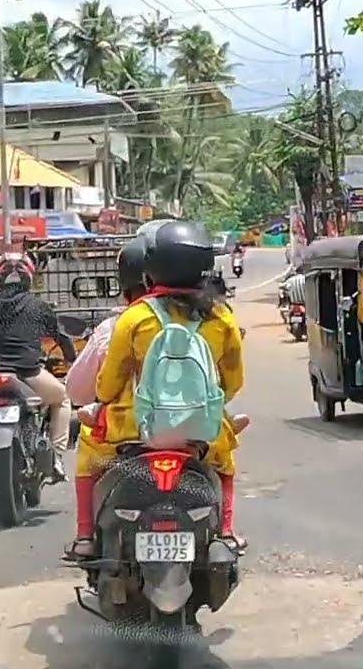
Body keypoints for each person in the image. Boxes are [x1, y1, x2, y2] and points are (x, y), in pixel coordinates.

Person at [68, 221, 247, 559]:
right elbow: (233, 383)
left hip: (133, 431)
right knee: (225, 461)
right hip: (201, 435)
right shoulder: (222, 318)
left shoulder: (135, 317)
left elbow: (107, 386)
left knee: (89, 454)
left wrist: (108, 403)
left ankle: (85, 535)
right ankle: (225, 531)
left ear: (153, 270)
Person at [0, 252, 77, 482]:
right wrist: (70, 359)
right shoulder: (38, 306)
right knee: (62, 398)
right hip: (30, 374)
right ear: (28, 277)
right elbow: (61, 335)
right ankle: (56, 456)